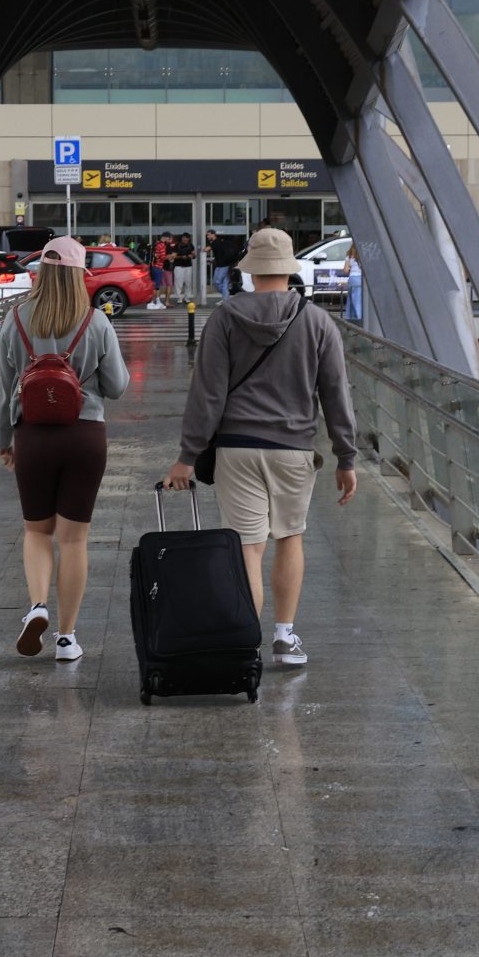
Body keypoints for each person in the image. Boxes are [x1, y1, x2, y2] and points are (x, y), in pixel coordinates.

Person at [164, 228, 357, 668]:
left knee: (247, 548)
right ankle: (284, 638)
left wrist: (188, 456)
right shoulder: (318, 322)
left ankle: (246, 644)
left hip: (236, 449)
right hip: (293, 449)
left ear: (250, 271)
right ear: (289, 269)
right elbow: (336, 394)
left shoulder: (225, 317)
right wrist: (346, 457)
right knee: (289, 537)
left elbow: (207, 395)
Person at [0, 238, 129, 662]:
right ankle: (67, 639)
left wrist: (4, 441)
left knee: (37, 531)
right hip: (84, 437)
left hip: (33, 437)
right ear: (78, 276)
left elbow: (6, 388)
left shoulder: (15, 319)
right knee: (74, 541)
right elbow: (118, 387)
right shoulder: (96, 321)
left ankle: (37, 606)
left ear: (41, 273)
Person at [211, 230, 243, 297]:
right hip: (230, 264)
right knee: (225, 282)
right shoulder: (233, 245)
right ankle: (226, 297)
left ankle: (226, 294)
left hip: (223, 265)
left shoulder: (220, 243)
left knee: (217, 282)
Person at [170, 233, 196, 305]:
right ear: (182, 238)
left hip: (188, 266)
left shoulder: (191, 245)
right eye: (184, 238)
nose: (185, 240)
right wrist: (181, 257)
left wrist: (192, 255)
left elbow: (194, 255)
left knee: (188, 282)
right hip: (179, 266)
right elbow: (173, 256)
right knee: (178, 282)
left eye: (187, 238)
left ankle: (187, 297)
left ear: (189, 239)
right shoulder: (177, 245)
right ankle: (179, 297)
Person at [148, 234, 169, 311]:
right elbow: (162, 257)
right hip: (158, 267)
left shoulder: (156, 244)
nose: (168, 240)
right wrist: (170, 257)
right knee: (157, 286)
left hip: (153, 266)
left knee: (154, 284)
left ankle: (152, 301)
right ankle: (156, 302)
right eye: (168, 238)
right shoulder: (162, 245)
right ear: (164, 238)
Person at [343, 244, 363, 323]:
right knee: (358, 300)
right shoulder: (361, 255)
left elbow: (345, 270)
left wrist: (350, 268)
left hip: (352, 278)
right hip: (360, 278)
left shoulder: (349, 255)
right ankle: (359, 318)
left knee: (351, 300)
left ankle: (350, 319)